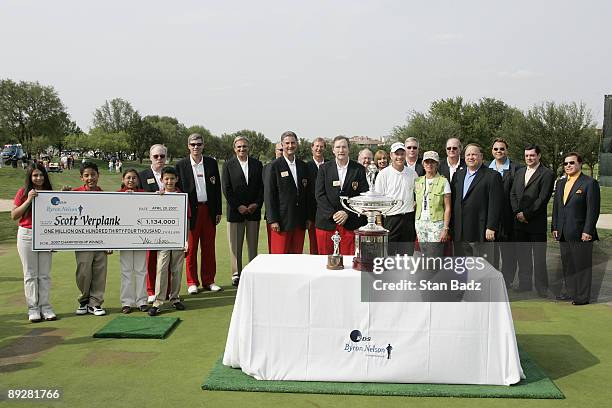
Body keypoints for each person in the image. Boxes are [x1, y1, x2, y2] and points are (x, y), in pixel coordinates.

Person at [176, 133, 223, 294]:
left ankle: (209, 280)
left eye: (199, 144)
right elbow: (178, 189)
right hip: (191, 212)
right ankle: (192, 282)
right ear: (188, 146)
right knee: (191, 248)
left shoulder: (211, 163)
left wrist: (218, 211)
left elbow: (217, 189)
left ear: (203, 145)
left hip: (209, 210)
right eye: (193, 144)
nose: (196, 147)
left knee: (209, 247)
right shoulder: (181, 165)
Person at [552, 152, 600, 305]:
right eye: (565, 164)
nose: (568, 166)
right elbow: (557, 207)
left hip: (581, 233)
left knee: (582, 266)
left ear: (580, 164)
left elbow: (593, 210)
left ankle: (583, 297)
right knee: (568, 265)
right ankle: (570, 292)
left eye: (571, 163)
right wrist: (555, 226)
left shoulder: (589, 183)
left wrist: (588, 231)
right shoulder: (560, 183)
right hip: (563, 232)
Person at [11, 163, 55, 322]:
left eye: (41, 175)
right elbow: (14, 215)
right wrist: (29, 199)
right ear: (30, 177)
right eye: (35, 175)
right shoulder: (23, 192)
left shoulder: (50, 193)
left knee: (44, 275)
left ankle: (46, 307)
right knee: (30, 274)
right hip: (26, 235)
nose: (39, 178)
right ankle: (33, 309)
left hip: (45, 235)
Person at [510, 145, 554, 296]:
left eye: (532, 155)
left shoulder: (547, 173)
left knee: (539, 258)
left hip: (535, 223)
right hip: (519, 223)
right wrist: (517, 212)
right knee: (523, 257)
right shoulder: (520, 171)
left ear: (539, 156)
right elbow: (513, 194)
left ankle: (542, 288)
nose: (529, 158)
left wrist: (527, 214)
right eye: (527, 155)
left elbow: (543, 198)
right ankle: (525, 284)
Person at [315, 136, 368, 255]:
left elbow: (362, 195)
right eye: (338, 147)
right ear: (333, 150)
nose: (341, 150)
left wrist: (346, 212)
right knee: (326, 261)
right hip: (327, 224)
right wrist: (333, 214)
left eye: (344, 147)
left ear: (349, 149)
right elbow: (319, 195)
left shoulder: (358, 169)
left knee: (349, 261)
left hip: (350, 223)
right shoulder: (324, 169)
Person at [222, 136, 263, 286]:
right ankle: (236, 273)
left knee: (252, 245)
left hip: (253, 211)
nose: (242, 149)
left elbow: (261, 188)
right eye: (239, 147)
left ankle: (252, 271)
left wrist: (256, 204)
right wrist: (238, 206)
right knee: (235, 245)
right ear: (234, 149)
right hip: (235, 212)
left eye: (244, 146)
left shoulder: (257, 164)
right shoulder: (228, 165)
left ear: (248, 148)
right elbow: (226, 189)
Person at [450, 144, 502, 259]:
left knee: (482, 268)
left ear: (481, 156)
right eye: (468, 155)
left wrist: (491, 227)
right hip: (460, 232)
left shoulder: (492, 176)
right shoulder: (458, 175)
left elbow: (495, 204)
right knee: (461, 268)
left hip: (480, 231)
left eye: (474, 154)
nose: (470, 157)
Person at [148, 167, 188, 316]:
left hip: (177, 239)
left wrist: (185, 240)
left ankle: (175, 298)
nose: (169, 181)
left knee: (176, 270)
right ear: (162, 180)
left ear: (176, 179)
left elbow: (186, 220)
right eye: (166, 179)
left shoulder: (182, 196)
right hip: (163, 239)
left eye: (172, 178)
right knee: (161, 268)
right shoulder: (158, 196)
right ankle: (158, 301)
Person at [72, 161, 109, 316]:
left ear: (98, 176)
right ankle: (84, 300)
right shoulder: (74, 193)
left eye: (93, 175)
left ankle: (95, 303)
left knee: (99, 272)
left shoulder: (105, 195)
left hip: (100, 241)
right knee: (83, 272)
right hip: (82, 241)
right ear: (81, 178)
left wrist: (110, 242)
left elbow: (111, 220)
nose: (90, 178)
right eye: (86, 175)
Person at [265, 131, 310, 254]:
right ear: (282, 145)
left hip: (299, 221)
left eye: (293, 143)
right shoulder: (274, 166)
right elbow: (269, 195)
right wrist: (273, 220)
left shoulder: (303, 166)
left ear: (297, 144)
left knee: (296, 257)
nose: (290, 146)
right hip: (281, 222)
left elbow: (306, 194)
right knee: (280, 258)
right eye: (287, 143)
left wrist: (307, 217)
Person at [489, 138, 523, 287]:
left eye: (502, 149)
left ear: (507, 150)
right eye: (496, 149)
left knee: (508, 252)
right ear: (492, 151)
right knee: (492, 252)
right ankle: (493, 278)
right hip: (491, 218)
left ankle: (507, 280)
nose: (499, 151)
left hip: (509, 218)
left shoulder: (516, 169)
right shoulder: (485, 168)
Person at [374, 142, 418, 255]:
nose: (399, 157)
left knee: (407, 256)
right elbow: (378, 201)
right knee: (389, 255)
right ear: (391, 155)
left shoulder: (412, 173)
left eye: (402, 154)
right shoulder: (383, 174)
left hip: (408, 219)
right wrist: (379, 223)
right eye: (396, 154)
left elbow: (417, 195)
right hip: (390, 219)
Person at [140, 144, 169, 302]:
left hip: (168, 223)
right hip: (149, 223)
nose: (159, 159)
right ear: (150, 157)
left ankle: (166, 290)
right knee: (151, 257)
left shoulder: (171, 173)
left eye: (162, 156)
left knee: (167, 259)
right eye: (156, 156)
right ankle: (151, 290)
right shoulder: (143, 175)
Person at [117, 169, 148, 313]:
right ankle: (127, 302)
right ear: (123, 180)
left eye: (134, 178)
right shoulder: (117, 195)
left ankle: (142, 300)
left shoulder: (145, 194)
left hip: (141, 238)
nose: (131, 180)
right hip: (124, 239)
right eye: (128, 178)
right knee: (126, 271)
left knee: (141, 270)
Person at [414, 151, 451, 258]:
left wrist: (445, 228)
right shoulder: (418, 181)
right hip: (420, 223)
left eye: (432, 162)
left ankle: (436, 274)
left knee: (434, 255)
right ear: (423, 164)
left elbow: (448, 207)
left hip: (436, 224)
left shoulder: (443, 181)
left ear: (437, 164)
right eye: (427, 162)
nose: (429, 164)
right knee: (424, 254)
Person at [306, 137, 326, 255]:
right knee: (314, 246)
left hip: (328, 214)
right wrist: (307, 216)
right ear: (312, 148)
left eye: (321, 146)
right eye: (316, 146)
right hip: (312, 213)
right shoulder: (306, 166)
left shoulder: (330, 164)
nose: (319, 149)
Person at [263, 143, 283, 252]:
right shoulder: (268, 167)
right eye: (280, 149)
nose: (282, 151)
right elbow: (267, 192)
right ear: (275, 151)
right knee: (274, 248)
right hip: (273, 215)